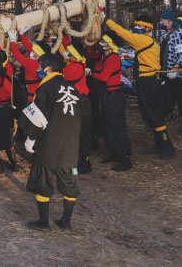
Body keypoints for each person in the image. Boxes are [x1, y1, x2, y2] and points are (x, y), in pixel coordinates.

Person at [23, 52, 81, 231]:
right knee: (70, 183)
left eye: (40, 67)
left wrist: (30, 138)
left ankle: (43, 222)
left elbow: (38, 118)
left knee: (43, 182)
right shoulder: (73, 88)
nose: (38, 70)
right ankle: (66, 221)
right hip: (71, 145)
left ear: (48, 69)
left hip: (49, 144)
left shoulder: (46, 88)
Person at [105, 17, 176, 160]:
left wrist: (106, 20)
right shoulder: (148, 40)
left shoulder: (144, 40)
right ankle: (159, 144)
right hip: (147, 80)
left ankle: (166, 146)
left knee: (153, 114)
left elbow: (122, 33)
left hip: (148, 81)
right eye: (136, 24)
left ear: (148, 28)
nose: (137, 27)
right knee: (149, 113)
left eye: (140, 25)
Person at [92, 35, 133, 171]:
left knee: (116, 126)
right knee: (108, 125)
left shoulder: (113, 58)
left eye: (104, 41)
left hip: (114, 97)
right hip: (108, 95)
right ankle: (115, 153)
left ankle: (125, 158)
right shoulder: (106, 57)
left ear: (110, 44)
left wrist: (91, 73)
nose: (101, 43)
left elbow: (103, 77)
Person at [158, 10, 182, 134]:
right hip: (167, 74)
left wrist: (175, 68)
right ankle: (162, 122)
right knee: (166, 98)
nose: (161, 22)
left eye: (162, 20)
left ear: (169, 21)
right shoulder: (165, 34)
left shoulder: (181, 34)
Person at [60, 36, 92, 174]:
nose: (66, 52)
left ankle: (83, 161)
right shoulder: (78, 64)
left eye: (68, 52)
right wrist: (62, 33)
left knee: (81, 132)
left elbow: (62, 75)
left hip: (80, 103)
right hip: (78, 101)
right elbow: (68, 44)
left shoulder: (74, 67)